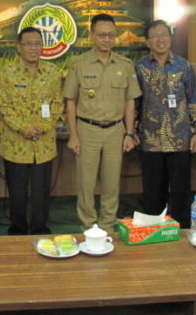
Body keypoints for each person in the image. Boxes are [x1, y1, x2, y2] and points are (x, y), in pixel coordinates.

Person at [64, 13, 141, 231]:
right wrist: (73, 135)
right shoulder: (78, 64)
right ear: (92, 36)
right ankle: (88, 226)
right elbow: (70, 101)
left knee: (111, 184)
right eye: (102, 35)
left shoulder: (125, 65)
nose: (107, 39)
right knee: (86, 184)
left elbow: (129, 102)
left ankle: (107, 226)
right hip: (87, 130)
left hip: (115, 131)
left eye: (111, 35)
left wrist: (129, 133)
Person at [135, 20, 196, 228]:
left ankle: (182, 233)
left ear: (170, 37)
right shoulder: (139, 67)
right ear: (148, 42)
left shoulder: (184, 66)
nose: (160, 39)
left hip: (180, 139)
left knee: (181, 190)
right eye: (155, 35)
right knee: (153, 192)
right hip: (150, 140)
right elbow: (134, 103)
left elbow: (193, 99)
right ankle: (154, 233)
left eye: (164, 34)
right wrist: (131, 132)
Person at [0, 27, 64, 235]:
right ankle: (18, 228)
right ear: (19, 47)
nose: (33, 48)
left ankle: (39, 227)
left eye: (37, 43)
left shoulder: (53, 73)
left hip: (44, 143)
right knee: (17, 192)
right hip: (16, 143)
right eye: (28, 44)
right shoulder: (7, 73)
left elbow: (57, 104)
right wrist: (24, 128)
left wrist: (42, 128)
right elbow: (5, 107)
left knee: (41, 192)